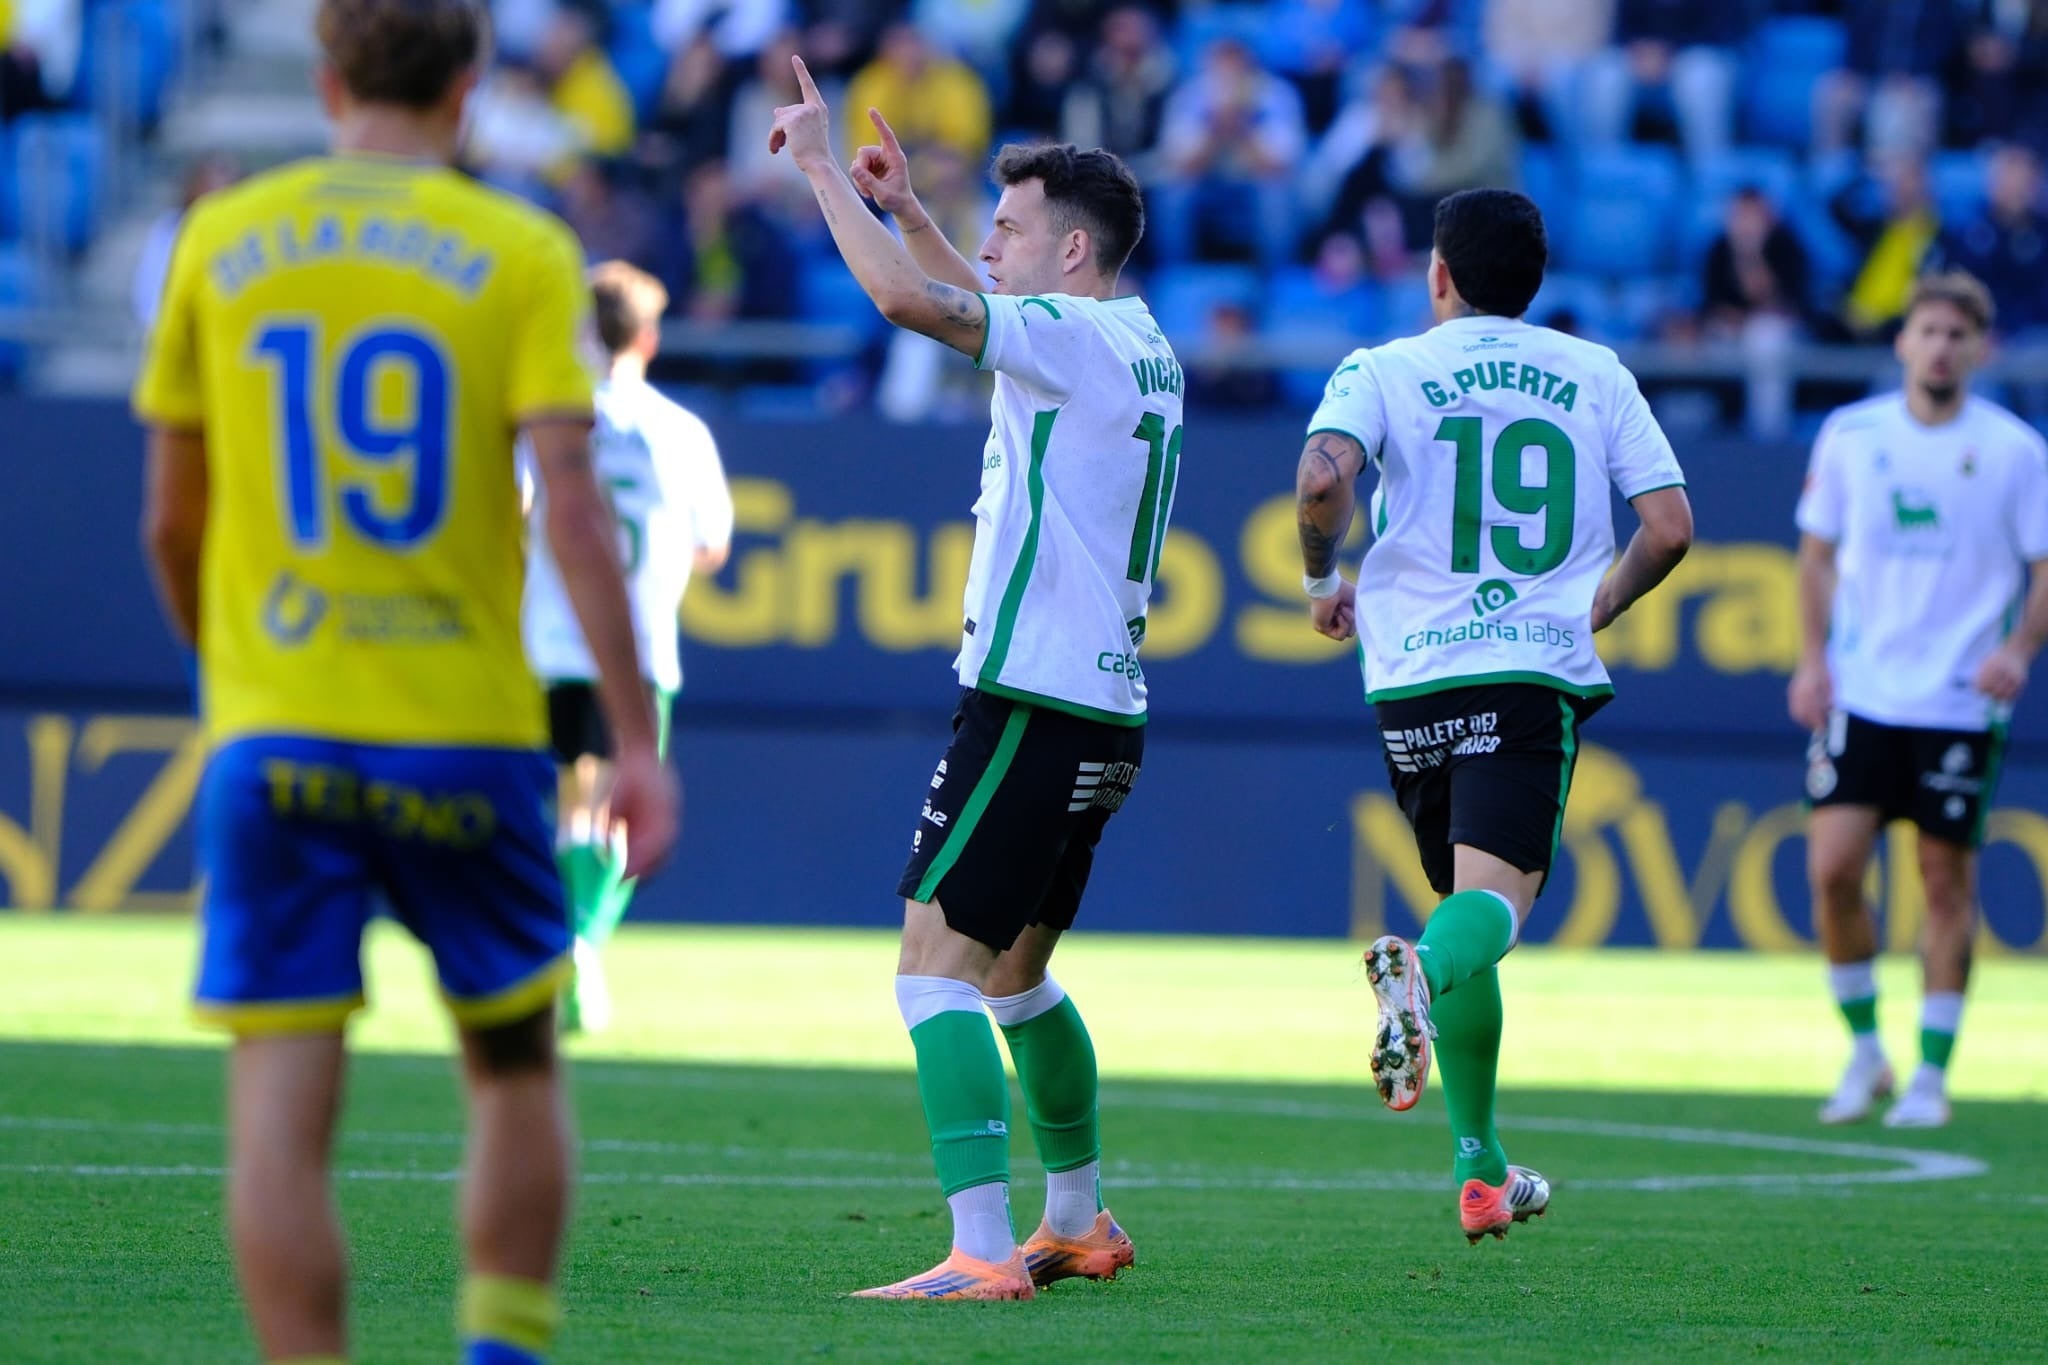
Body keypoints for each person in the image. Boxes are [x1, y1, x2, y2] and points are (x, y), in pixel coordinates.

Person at [130, 3, 679, 1362]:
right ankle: (501, 1347)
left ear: (324, 82)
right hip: (467, 733)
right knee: (509, 1063)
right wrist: (632, 736)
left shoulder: (223, 239)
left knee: (279, 1097)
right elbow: (568, 501)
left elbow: (167, 521)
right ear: (473, 86)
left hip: (282, 732)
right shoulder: (517, 249)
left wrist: (236, 674)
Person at [769, 59, 1175, 1299]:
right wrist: (918, 214)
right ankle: (1077, 1223)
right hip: (1104, 709)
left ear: (1070, 254)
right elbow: (965, 290)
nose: (987, 244)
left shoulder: (1065, 336)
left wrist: (824, 174)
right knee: (1015, 975)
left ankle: (981, 1251)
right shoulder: (1135, 338)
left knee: (928, 971)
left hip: (1032, 699)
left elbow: (906, 305)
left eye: (1007, 228)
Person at [1294, 188, 1693, 1242]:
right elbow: (1668, 526)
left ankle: (1479, 1169)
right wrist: (1599, 600)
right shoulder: (1592, 372)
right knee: (1488, 918)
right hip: (1524, 672)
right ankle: (1411, 977)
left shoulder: (1379, 367)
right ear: (1534, 283)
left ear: (1437, 273)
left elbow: (1319, 482)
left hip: (1409, 681)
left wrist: (1318, 577)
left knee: (1467, 909)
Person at [1789, 271, 2048, 1130]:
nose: (1940, 346)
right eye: (1928, 330)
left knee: (1944, 878)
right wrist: (1811, 660)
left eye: (1957, 335)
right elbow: (1816, 556)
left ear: (1979, 349)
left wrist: (2017, 649)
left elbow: (2043, 567)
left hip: (1959, 699)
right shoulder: (1852, 436)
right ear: (1902, 341)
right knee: (1831, 870)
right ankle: (1867, 1052)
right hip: (1861, 689)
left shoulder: (2014, 449)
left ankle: (1932, 1073)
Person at [523, 260, 733, 1035]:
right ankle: (583, 941)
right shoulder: (681, 430)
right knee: (619, 812)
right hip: (641, 648)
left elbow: (517, 507)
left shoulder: (551, 420)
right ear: (648, 335)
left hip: (552, 638)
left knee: (572, 806)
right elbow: (713, 545)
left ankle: (564, 941)